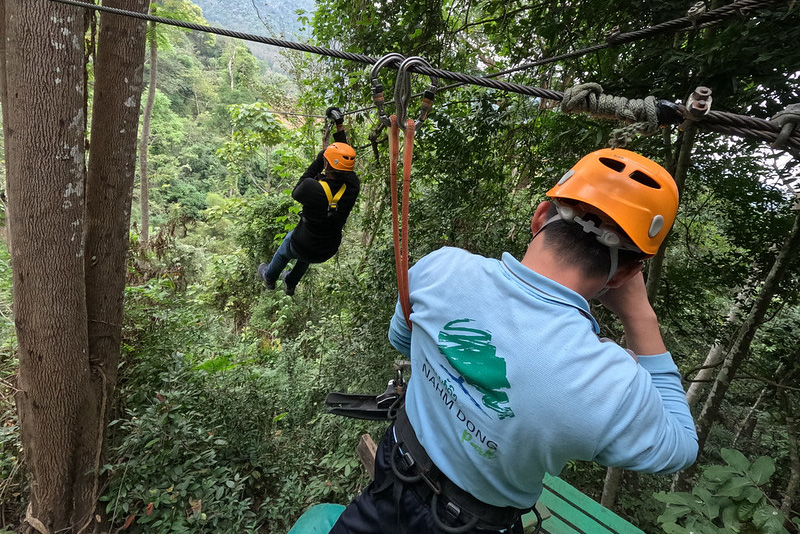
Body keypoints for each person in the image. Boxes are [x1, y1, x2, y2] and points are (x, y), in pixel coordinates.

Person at [329, 148, 699, 533]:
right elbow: (682, 446)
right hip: (470, 524)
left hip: (391, 479)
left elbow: (401, 339)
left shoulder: (442, 268)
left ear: (541, 216)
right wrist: (640, 315)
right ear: (625, 275)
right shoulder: (610, 383)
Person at [258, 107, 360, 296]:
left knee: (287, 248)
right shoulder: (353, 186)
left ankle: (269, 277)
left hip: (303, 242)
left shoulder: (312, 188)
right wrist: (339, 126)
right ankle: (290, 283)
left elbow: (297, 189)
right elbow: (344, 162)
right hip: (327, 248)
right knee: (308, 252)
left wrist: (321, 157)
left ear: (326, 164)